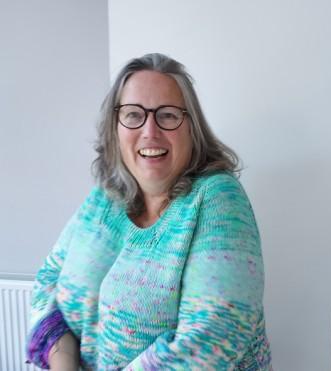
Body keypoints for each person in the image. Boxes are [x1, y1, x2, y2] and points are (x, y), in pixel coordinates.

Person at [26, 53, 272, 370]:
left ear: (191, 128)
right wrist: (63, 362)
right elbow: (48, 282)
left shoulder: (216, 199)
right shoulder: (105, 198)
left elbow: (212, 339)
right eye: (133, 114)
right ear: (115, 126)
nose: (150, 130)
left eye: (168, 115)